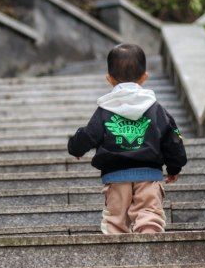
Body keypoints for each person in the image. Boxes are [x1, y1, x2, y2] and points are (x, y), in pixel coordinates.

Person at [67, 43, 187, 234]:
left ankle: (118, 254)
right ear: (144, 77)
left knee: (115, 219)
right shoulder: (156, 109)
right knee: (149, 215)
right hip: (149, 175)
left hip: (115, 176)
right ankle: (149, 244)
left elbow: (89, 134)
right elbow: (173, 139)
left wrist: (76, 148)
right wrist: (175, 167)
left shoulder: (105, 110)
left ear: (109, 79)